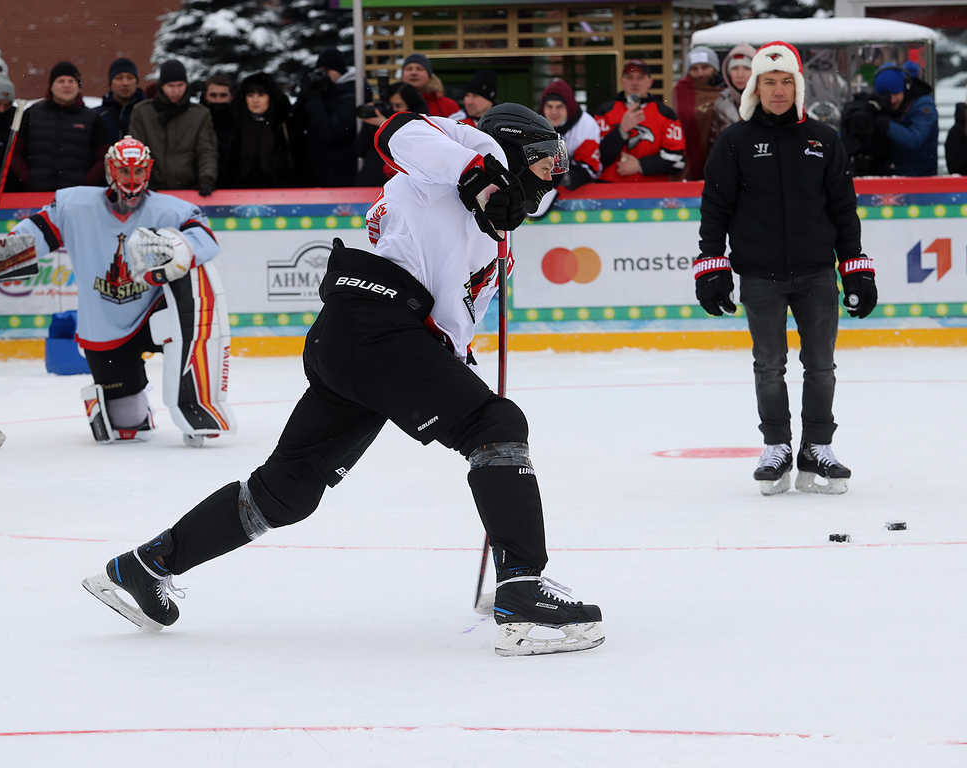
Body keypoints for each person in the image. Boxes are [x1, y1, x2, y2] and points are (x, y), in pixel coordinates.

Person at [82, 103, 605, 658]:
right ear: (515, 150)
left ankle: (144, 566)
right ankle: (523, 590)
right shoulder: (456, 162)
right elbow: (398, 130)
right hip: (379, 327)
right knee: (496, 424)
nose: (557, 174)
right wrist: (476, 169)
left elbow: (455, 309)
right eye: (549, 161)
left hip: (363, 340)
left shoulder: (496, 223)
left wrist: (453, 358)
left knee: (285, 492)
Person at [695, 41, 877, 497]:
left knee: (820, 366)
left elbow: (843, 210)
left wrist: (855, 268)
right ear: (755, 87)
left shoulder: (824, 139)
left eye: (786, 81)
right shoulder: (734, 141)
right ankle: (775, 445)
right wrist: (712, 267)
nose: (778, 90)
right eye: (768, 82)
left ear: (799, 85)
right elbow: (715, 209)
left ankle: (817, 446)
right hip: (760, 276)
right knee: (769, 366)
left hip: (817, 273)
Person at [10, 137, 233, 446]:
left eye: (139, 171)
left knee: (197, 275)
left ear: (148, 171)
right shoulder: (75, 206)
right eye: (124, 171)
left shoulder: (171, 210)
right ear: (109, 170)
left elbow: (206, 240)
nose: (132, 179)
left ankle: (198, 401)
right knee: (128, 426)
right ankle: (132, 406)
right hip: (105, 325)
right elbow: (32, 235)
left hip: (157, 313)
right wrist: (2, 253)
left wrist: (181, 247)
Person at [9, 62, 109, 191]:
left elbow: (105, 158)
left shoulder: (92, 119)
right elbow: (14, 153)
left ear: (78, 87)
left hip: (76, 196)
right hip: (35, 195)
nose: (66, 85)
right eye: (61, 81)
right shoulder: (32, 114)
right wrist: (28, 177)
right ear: (51, 86)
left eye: (72, 81)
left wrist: (85, 182)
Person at [129, 60, 218, 195]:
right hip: (152, 189)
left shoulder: (199, 114)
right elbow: (136, 150)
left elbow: (206, 150)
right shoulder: (143, 112)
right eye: (171, 86)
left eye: (180, 85)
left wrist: (207, 178)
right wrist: (142, 180)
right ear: (162, 86)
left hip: (189, 189)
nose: (176, 91)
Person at [593, 59, 686, 183]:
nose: (635, 82)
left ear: (650, 82)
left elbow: (677, 159)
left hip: (652, 192)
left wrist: (640, 165)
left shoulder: (666, 114)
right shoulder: (605, 112)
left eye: (640, 77)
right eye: (630, 77)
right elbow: (595, 157)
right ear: (622, 81)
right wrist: (621, 131)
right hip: (611, 190)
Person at [221, 72, 296, 189]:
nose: (255, 100)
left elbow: (301, 166)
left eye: (261, 95)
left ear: (270, 97)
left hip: (281, 196)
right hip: (240, 197)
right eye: (250, 95)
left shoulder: (285, 125)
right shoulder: (235, 127)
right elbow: (228, 170)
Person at [295, 47, 357, 187]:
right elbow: (296, 122)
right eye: (320, 70)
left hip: (340, 174)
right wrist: (304, 94)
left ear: (340, 72)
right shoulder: (320, 94)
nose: (323, 75)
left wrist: (313, 100)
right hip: (315, 170)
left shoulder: (351, 95)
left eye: (328, 70)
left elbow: (332, 133)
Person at [354, 82, 427, 187]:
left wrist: (386, 125)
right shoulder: (382, 117)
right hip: (371, 183)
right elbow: (360, 149)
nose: (393, 110)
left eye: (398, 105)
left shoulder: (418, 123)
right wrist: (370, 123)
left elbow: (412, 149)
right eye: (390, 105)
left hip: (401, 185)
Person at [870, 63, 938, 177]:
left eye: (896, 93)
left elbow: (914, 140)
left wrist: (886, 124)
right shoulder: (880, 107)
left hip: (921, 179)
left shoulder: (924, 105)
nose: (892, 100)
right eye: (886, 95)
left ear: (905, 88)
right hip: (888, 175)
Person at [673, 46, 724, 181]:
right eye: (694, 69)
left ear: (715, 68)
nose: (700, 73)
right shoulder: (682, 90)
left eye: (705, 67)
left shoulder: (728, 90)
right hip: (691, 156)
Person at [540, 79, 601, 190]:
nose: (554, 112)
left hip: (579, 194)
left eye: (559, 107)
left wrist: (566, 178)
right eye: (549, 106)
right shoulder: (534, 125)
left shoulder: (586, 126)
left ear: (569, 107)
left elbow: (590, 168)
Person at [709, 45, 755, 149]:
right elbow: (715, 143)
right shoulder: (720, 103)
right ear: (727, 72)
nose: (740, 75)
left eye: (746, 68)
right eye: (734, 68)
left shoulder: (767, 101)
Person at [95, 58, 147, 142]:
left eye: (130, 78)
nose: (125, 83)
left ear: (136, 82)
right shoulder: (97, 116)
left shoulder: (148, 113)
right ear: (110, 83)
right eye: (119, 78)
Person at [200, 74, 237, 186]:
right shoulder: (197, 120)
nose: (218, 100)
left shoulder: (240, 121)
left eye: (223, 95)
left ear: (231, 97)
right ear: (206, 96)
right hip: (202, 184)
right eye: (213, 95)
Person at [400, 53, 459, 118]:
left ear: (429, 75)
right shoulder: (391, 103)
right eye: (409, 69)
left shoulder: (448, 105)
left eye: (419, 69)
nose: (413, 73)